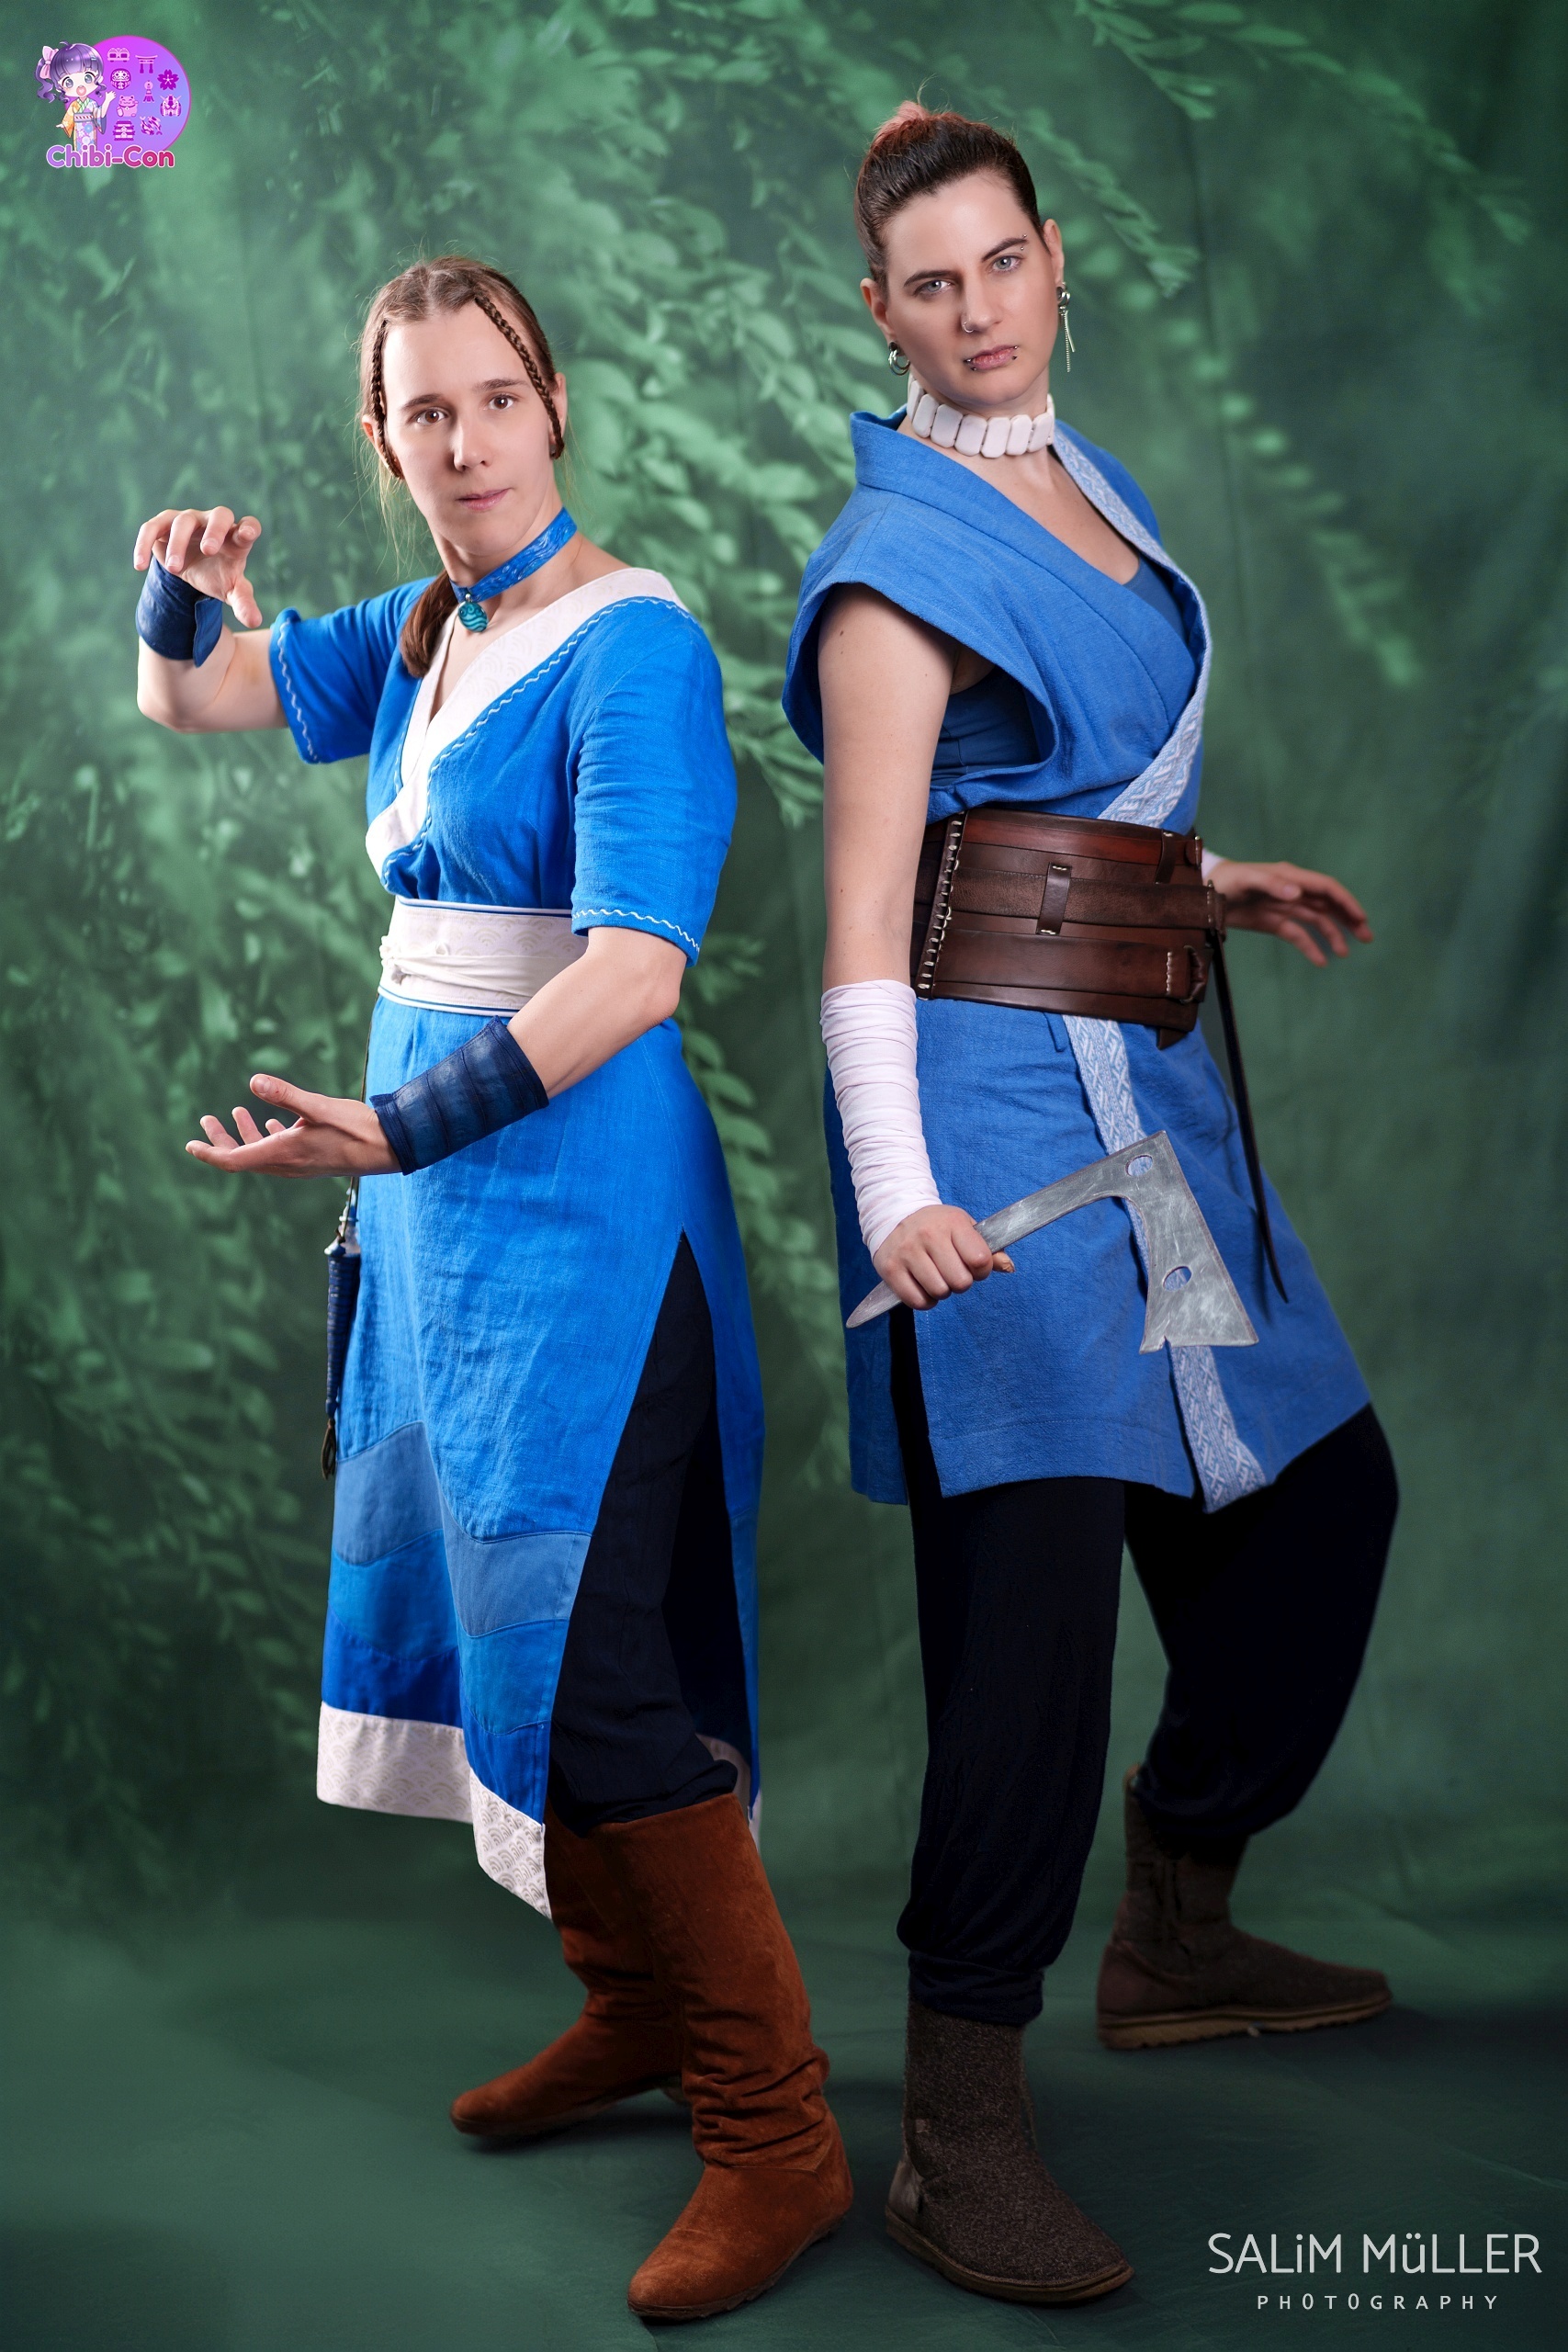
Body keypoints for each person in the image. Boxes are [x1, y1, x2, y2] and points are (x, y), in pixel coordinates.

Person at [133, 254, 851, 2324]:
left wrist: (396, 1130)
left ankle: (777, 2131)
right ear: (384, 442)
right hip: (446, 1221)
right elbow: (198, 695)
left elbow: (633, 973)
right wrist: (178, 588)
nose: (464, 442)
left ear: (552, 403)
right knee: (501, 1635)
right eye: (422, 412)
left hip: (584, 1215)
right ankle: (631, 2010)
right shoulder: (426, 630)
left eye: (494, 398)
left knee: (596, 1661)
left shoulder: (633, 645)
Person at [783, 107, 1399, 2307]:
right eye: (926, 284)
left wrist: (1195, 883)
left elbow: (1036, 804)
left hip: (1144, 1082)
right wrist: (898, 1198)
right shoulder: (890, 566)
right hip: (988, 1136)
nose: (971, 312)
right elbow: (869, 919)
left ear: (1054, 260)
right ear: (878, 310)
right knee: (1027, 1630)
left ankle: (1177, 1922)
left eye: (998, 264)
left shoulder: (1092, 479)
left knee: (1316, 1507)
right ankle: (957, 2132)